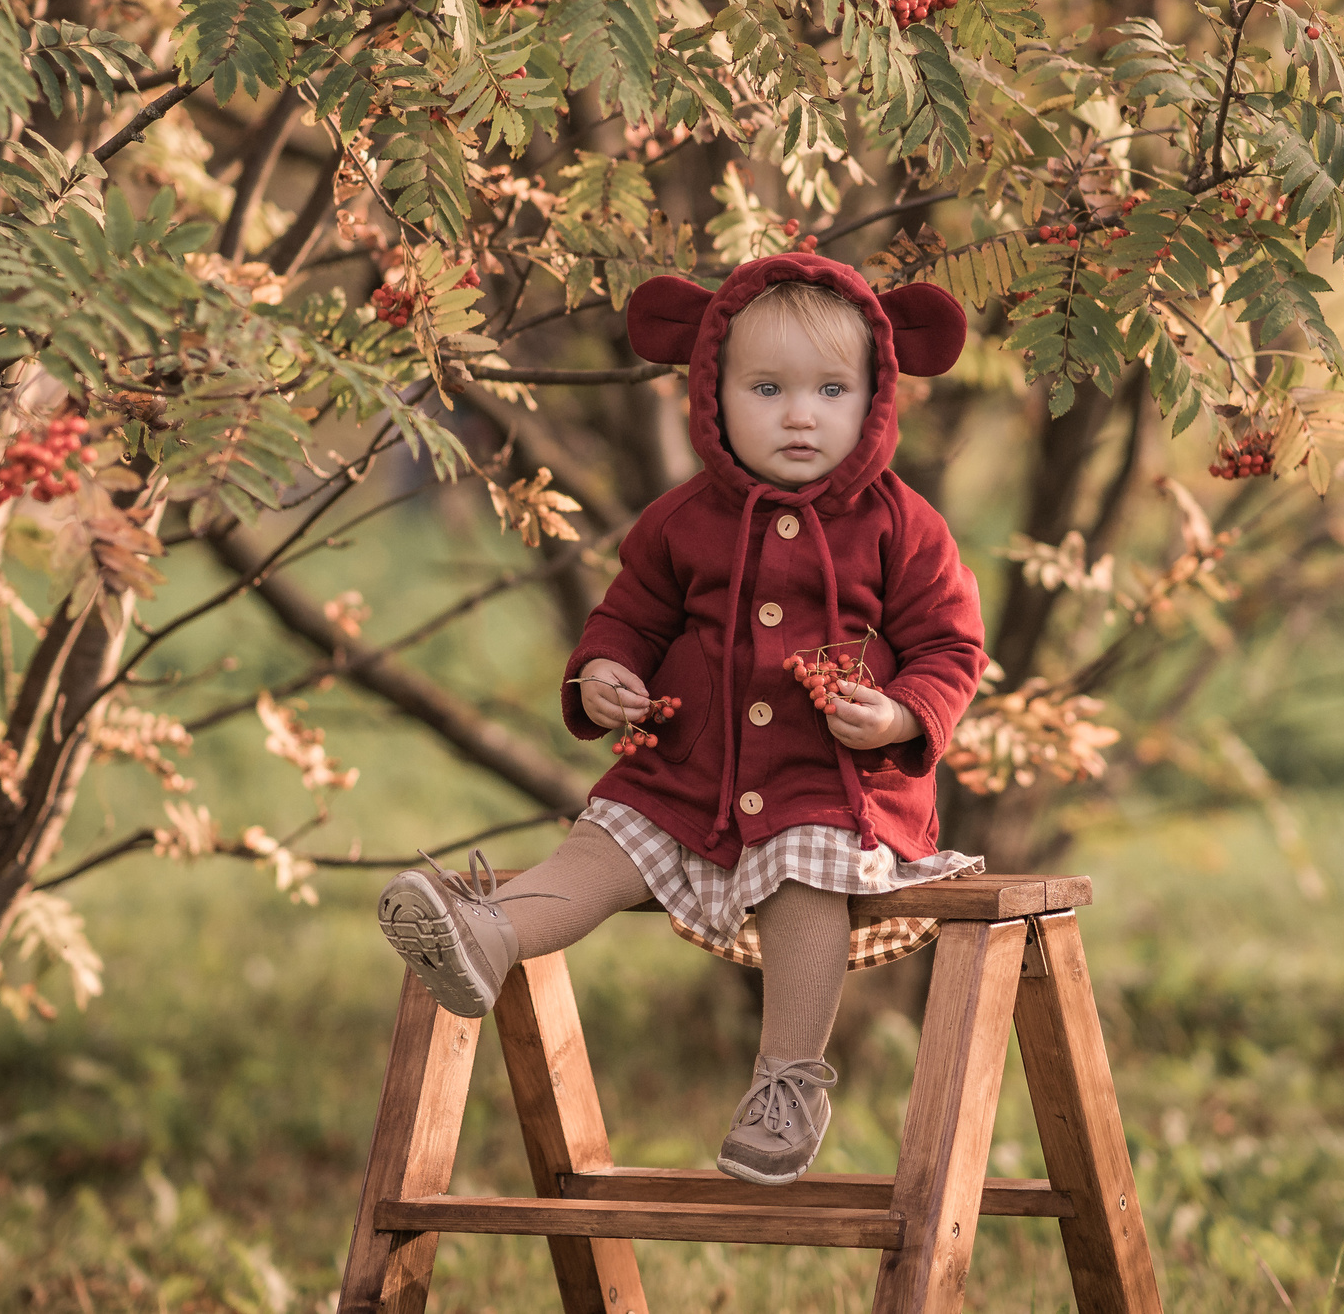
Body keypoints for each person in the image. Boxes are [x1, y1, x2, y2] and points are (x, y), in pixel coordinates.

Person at [376, 253, 988, 1185]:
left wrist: (903, 714)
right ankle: (486, 932)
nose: (799, 413)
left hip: (830, 780)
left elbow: (952, 646)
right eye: (766, 387)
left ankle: (788, 1079)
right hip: (683, 771)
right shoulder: (677, 522)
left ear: (875, 395)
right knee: (600, 841)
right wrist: (604, 675)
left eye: (831, 389)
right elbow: (628, 618)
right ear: (710, 392)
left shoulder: (902, 526)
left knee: (806, 866)